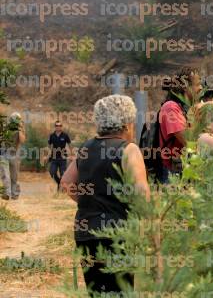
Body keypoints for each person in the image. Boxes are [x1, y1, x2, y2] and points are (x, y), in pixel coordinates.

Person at [60, 95, 150, 294]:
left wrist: (88, 201)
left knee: (97, 292)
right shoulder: (128, 149)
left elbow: (66, 182)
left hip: (85, 233)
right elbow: (142, 195)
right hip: (117, 234)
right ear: (126, 124)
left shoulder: (85, 147)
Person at [158, 67, 202, 183]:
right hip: (173, 175)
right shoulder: (171, 108)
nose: (201, 88)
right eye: (197, 84)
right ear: (185, 87)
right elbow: (190, 141)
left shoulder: (184, 109)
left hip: (184, 171)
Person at [0, 112, 25, 200]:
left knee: (14, 176)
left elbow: (22, 141)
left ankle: (15, 194)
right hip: (3, 153)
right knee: (5, 174)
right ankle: (6, 193)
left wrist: (20, 129)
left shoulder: (20, 129)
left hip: (14, 154)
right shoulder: (5, 127)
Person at [43, 121, 72, 192]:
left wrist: (71, 155)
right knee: (52, 172)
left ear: (61, 127)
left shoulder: (65, 135)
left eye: (60, 125)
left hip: (63, 158)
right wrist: (46, 156)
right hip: (54, 158)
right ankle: (59, 182)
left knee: (63, 174)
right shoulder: (51, 135)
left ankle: (61, 190)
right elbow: (49, 146)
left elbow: (70, 145)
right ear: (55, 127)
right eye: (57, 125)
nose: (58, 127)